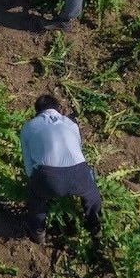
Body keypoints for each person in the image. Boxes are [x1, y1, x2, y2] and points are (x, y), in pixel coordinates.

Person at [19, 94, 102, 245]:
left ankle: (38, 233)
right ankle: (95, 226)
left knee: (35, 197)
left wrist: (37, 183)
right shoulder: (71, 124)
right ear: (59, 109)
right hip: (79, 174)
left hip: (48, 178)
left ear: (36, 112)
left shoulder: (28, 127)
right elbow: (78, 150)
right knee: (91, 192)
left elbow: (28, 164)